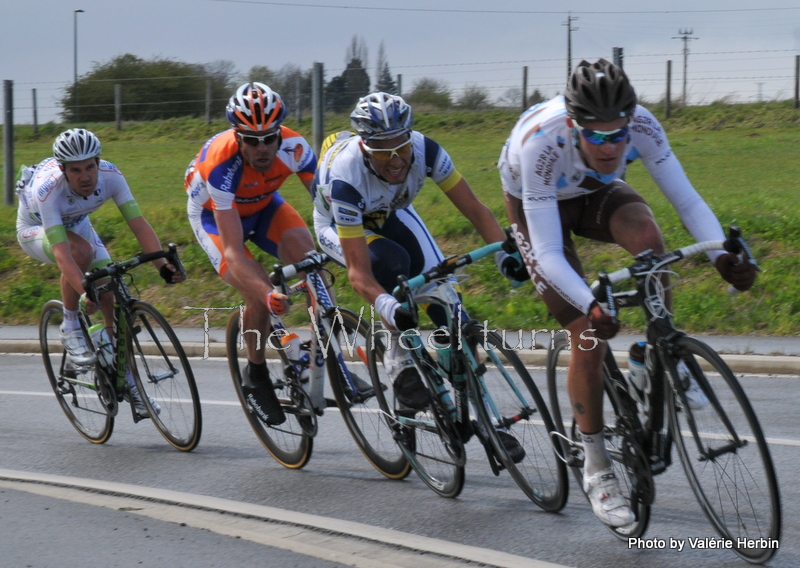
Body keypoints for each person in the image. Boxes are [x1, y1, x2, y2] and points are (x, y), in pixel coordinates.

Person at [499, 59, 757, 527]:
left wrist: (723, 257)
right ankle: (597, 470)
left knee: (649, 243)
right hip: (536, 205)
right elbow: (551, 253)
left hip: (592, 191)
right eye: (596, 136)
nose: (610, 144)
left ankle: (659, 356)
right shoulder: (541, 142)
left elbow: (687, 200)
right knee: (587, 335)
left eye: (618, 133)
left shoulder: (642, 127)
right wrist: (591, 305)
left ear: (631, 120)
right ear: (575, 125)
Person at [313, 92, 527, 457]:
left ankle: (482, 420)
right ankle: (398, 360)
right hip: (341, 224)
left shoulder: (426, 150)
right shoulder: (346, 178)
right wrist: (388, 307)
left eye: (401, 145)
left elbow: (476, 210)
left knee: (452, 312)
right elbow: (358, 275)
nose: (395, 159)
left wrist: (506, 256)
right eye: (382, 150)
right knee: (392, 265)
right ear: (365, 148)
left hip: (392, 213)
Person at [185, 82, 363, 426]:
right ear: (237, 138)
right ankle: (255, 374)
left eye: (269, 137)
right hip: (214, 217)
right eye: (252, 141)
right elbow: (234, 252)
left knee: (313, 262)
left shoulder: (294, 146)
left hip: (266, 206)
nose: (262, 148)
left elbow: (330, 207)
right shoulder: (221, 166)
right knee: (256, 288)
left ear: (279, 132)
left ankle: (326, 360)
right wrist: (267, 295)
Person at [17, 128, 183, 417]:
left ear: (98, 162)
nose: (85, 176)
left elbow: (138, 224)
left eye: (90, 166)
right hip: (36, 229)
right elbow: (62, 254)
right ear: (63, 170)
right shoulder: (49, 189)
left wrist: (162, 266)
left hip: (78, 226)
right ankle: (70, 326)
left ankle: (129, 382)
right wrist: (85, 291)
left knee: (112, 296)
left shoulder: (111, 177)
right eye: (76, 170)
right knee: (81, 255)